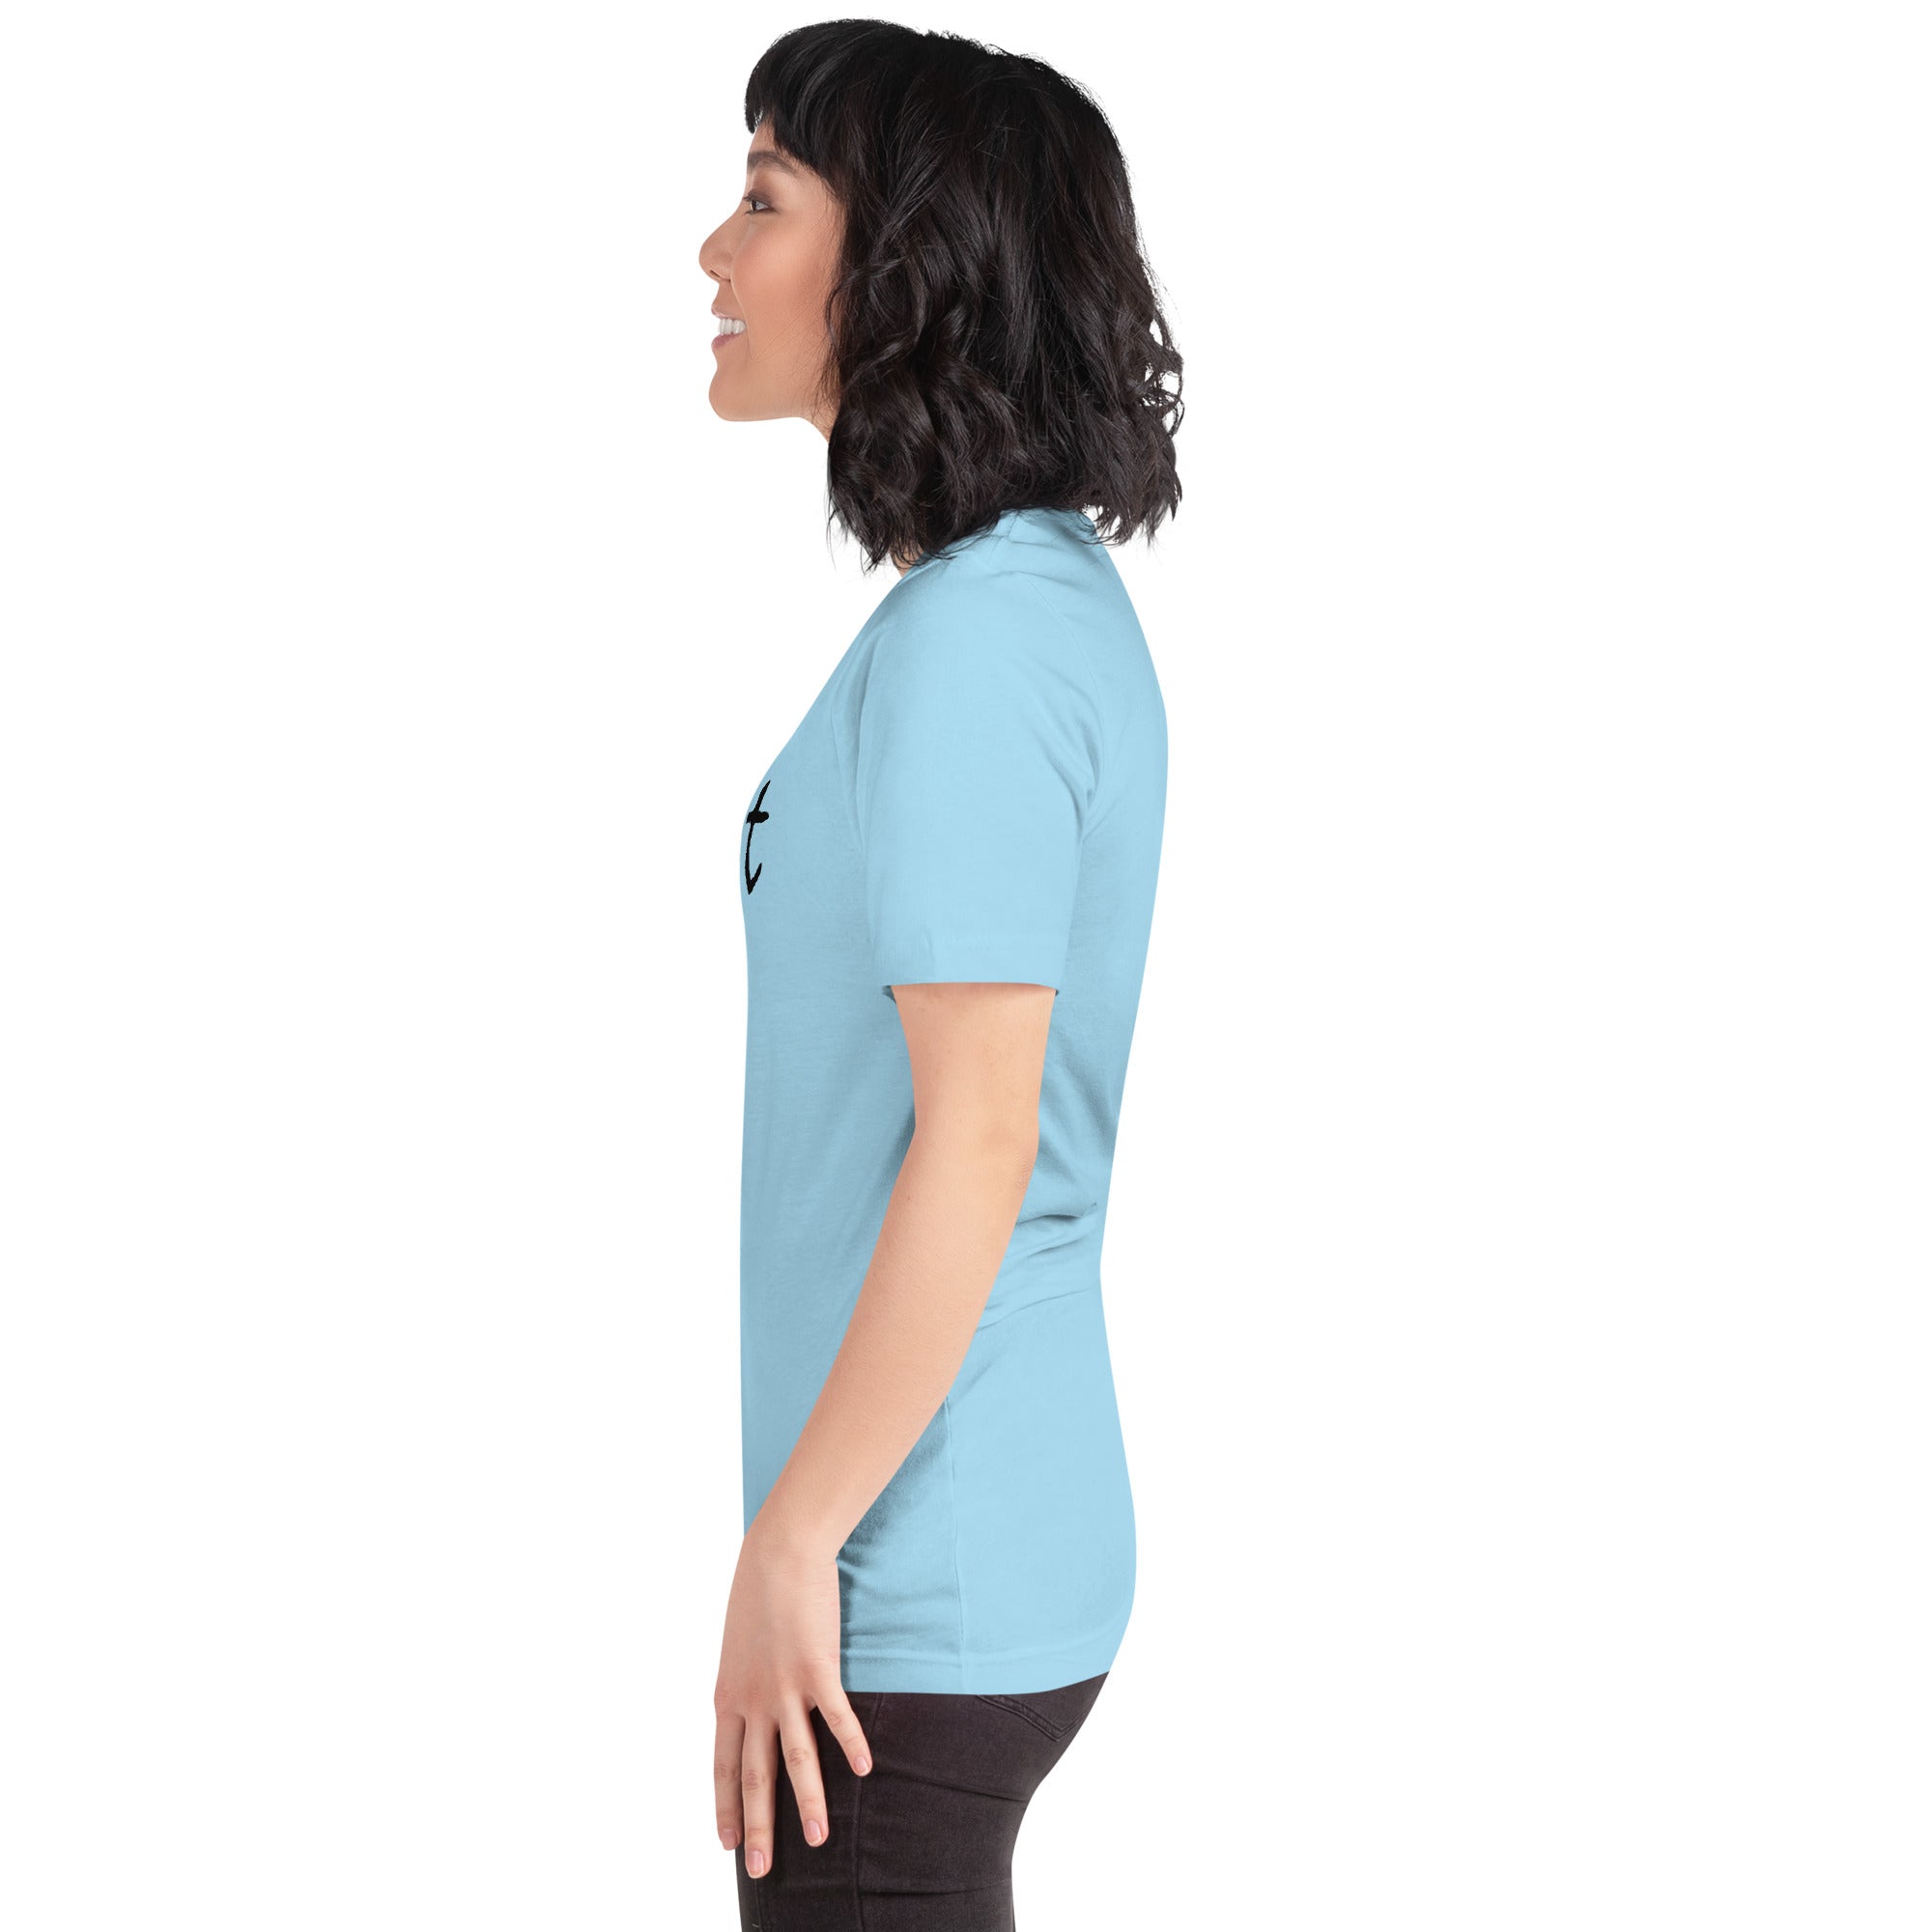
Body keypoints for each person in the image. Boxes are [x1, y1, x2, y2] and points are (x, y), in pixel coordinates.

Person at [696, 20, 1182, 1926]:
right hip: (940, 1547)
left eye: (763, 198)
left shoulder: (979, 644)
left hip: (913, 1574)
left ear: (900, 259)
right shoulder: (1007, 606)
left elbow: (979, 1140)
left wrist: (794, 1543)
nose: (714, 252)